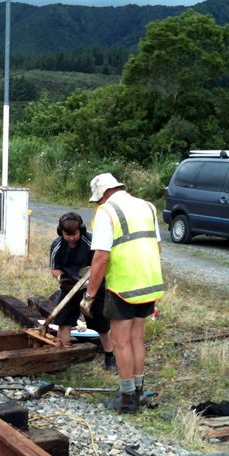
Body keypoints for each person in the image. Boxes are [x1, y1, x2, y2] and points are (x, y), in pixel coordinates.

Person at [82, 173, 163, 413]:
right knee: (136, 337)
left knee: (120, 341)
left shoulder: (106, 212)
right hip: (149, 283)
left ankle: (127, 400)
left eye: (98, 200)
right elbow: (157, 246)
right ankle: (137, 392)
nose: (98, 204)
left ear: (103, 194)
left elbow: (101, 257)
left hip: (123, 287)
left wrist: (90, 295)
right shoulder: (147, 207)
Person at [49, 212, 115, 369]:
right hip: (69, 288)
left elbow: (100, 264)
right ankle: (63, 356)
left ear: (81, 230)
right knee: (63, 322)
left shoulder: (91, 242)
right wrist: (61, 278)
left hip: (93, 287)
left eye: (75, 234)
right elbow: (54, 268)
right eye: (67, 235)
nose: (71, 238)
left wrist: (90, 286)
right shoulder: (57, 245)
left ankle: (110, 356)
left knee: (102, 325)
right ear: (61, 232)